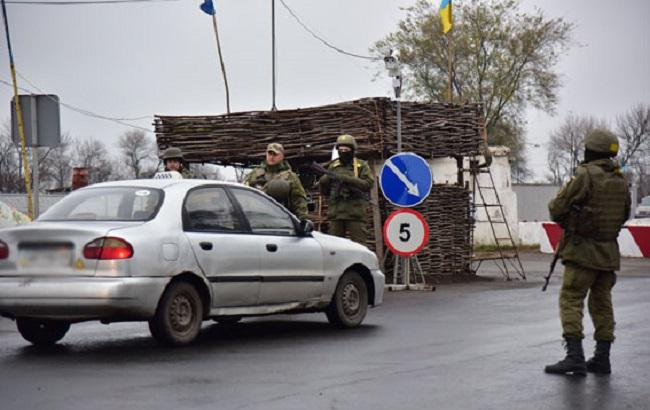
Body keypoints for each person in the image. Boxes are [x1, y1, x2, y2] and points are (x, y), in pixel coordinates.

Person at [544, 129, 631, 376]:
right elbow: (624, 214)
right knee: (602, 304)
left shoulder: (584, 175)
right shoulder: (620, 178)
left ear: (590, 149)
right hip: (609, 253)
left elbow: (556, 208)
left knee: (571, 299)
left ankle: (575, 357)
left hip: (582, 251)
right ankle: (602, 358)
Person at [318, 134, 374, 245]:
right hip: (336, 213)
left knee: (359, 246)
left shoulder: (360, 165)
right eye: (341, 149)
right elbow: (324, 190)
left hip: (355, 213)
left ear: (352, 150)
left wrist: (347, 179)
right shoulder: (333, 166)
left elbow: (368, 183)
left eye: (346, 149)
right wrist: (326, 179)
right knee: (335, 247)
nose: (343, 152)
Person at [244, 143, 309, 220]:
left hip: (281, 219)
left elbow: (299, 200)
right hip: (256, 218)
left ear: (282, 156)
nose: (271, 157)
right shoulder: (254, 174)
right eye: (270, 153)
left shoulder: (290, 177)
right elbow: (244, 194)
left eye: (275, 154)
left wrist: (303, 219)